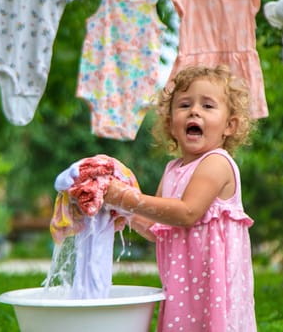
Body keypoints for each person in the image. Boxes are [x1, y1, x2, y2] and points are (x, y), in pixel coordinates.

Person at [104, 65, 258, 331]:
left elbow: (187, 213)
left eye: (208, 106)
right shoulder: (173, 170)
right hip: (183, 287)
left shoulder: (217, 162)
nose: (194, 111)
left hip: (215, 291)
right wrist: (121, 209)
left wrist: (128, 199)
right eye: (184, 105)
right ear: (170, 123)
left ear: (229, 125)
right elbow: (158, 228)